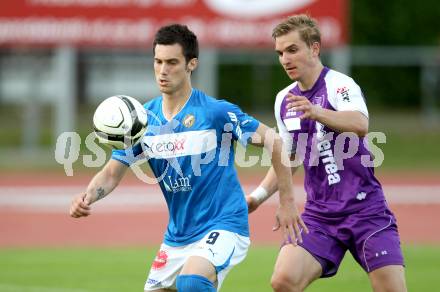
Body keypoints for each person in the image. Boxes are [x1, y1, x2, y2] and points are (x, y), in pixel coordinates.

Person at [70, 24, 306, 292]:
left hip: (224, 224)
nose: (162, 70)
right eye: (158, 61)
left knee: (192, 282)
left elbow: (274, 142)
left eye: (172, 62)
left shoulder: (215, 112)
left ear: (191, 64)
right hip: (177, 237)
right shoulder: (144, 121)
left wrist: (286, 201)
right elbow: (112, 172)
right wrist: (88, 196)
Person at [246, 15, 407, 292]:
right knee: (283, 281)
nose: (285, 59)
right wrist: (258, 197)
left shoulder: (339, 85)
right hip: (320, 215)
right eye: (280, 53)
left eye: (292, 50)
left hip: (365, 210)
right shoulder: (283, 99)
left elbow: (360, 124)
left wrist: (316, 111)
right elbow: (289, 157)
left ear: (315, 48)